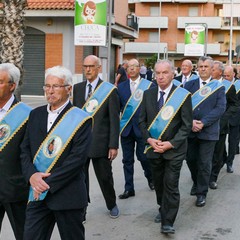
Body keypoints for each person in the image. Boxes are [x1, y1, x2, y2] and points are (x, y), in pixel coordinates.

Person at [20, 66, 92, 240]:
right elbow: (25, 150)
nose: (50, 91)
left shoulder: (80, 118)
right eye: (47, 86)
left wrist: (46, 183)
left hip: (67, 195)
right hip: (38, 195)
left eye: (55, 86)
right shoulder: (35, 114)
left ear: (68, 89)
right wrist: (32, 176)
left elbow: (77, 159)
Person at [139, 60, 192, 234]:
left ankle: (168, 221)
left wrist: (171, 144)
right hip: (154, 149)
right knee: (159, 184)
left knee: (171, 184)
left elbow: (186, 126)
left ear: (172, 74)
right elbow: (141, 122)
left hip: (174, 151)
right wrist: (149, 140)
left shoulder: (182, 95)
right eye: (157, 73)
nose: (160, 76)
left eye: (164, 73)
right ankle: (162, 208)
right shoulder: (148, 94)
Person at [73, 55, 120, 218]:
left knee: (105, 177)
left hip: (101, 143)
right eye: (85, 66)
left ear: (98, 68)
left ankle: (111, 204)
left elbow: (115, 120)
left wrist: (113, 145)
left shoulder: (109, 90)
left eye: (91, 66)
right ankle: (82, 208)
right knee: (80, 179)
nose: (87, 69)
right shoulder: (77, 88)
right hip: (81, 144)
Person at [184, 56, 226, 207]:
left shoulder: (218, 87)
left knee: (204, 163)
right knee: (191, 160)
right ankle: (196, 182)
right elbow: (183, 107)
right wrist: (191, 122)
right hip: (190, 131)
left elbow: (220, 108)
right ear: (197, 68)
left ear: (211, 69)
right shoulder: (188, 85)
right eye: (200, 66)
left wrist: (203, 123)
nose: (202, 69)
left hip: (208, 132)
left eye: (206, 67)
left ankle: (201, 193)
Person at [0, 63, 31, 240]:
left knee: (25, 235)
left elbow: (29, 155)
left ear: (12, 86)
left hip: (16, 190)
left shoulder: (26, 115)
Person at [118, 59, 154, 200]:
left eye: (135, 67)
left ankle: (150, 178)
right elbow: (119, 108)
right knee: (127, 160)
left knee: (144, 157)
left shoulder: (149, 86)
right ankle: (129, 188)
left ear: (140, 69)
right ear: (126, 70)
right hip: (126, 130)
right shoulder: (121, 87)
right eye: (129, 67)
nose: (132, 69)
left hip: (142, 129)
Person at [209, 61, 239, 189]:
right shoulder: (205, 84)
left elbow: (234, 104)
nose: (210, 71)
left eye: (212, 69)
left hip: (222, 124)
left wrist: (224, 118)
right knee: (206, 153)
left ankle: (214, 176)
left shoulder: (229, 86)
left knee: (219, 151)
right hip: (206, 124)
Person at [224, 65, 240, 173]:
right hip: (222, 117)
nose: (225, 78)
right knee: (219, 141)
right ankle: (223, 158)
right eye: (224, 75)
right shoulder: (221, 83)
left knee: (232, 142)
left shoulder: (238, 84)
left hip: (235, 117)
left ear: (233, 75)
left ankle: (230, 162)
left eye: (228, 76)